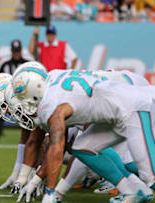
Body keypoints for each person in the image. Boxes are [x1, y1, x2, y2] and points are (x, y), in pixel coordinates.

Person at [12, 68, 155, 202]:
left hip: (136, 107)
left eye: (22, 98)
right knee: (82, 147)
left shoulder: (51, 105)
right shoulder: (53, 76)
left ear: (34, 93)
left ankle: (141, 185)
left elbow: (56, 148)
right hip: (114, 114)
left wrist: (51, 192)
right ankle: (131, 191)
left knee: (150, 176)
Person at [0, 39, 31, 146]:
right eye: (14, 51)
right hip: (7, 96)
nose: (16, 54)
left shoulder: (27, 63)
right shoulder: (4, 63)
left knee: (29, 118)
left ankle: (30, 142)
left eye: (18, 51)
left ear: (21, 51)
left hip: (23, 97)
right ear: (11, 51)